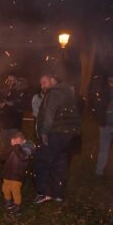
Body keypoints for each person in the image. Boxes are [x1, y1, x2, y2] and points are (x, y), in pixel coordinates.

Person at [33, 73, 80, 204]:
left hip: (55, 133)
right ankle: (58, 194)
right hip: (67, 135)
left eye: (44, 82)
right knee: (60, 163)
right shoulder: (68, 92)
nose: (42, 86)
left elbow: (49, 114)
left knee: (41, 162)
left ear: (53, 80)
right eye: (41, 83)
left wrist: (44, 132)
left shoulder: (54, 93)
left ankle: (43, 193)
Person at [1, 131, 34, 215]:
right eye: (14, 140)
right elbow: (3, 157)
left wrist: (16, 146)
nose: (15, 142)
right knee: (5, 189)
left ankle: (17, 206)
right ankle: (8, 203)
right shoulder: (13, 146)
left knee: (15, 191)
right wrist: (11, 147)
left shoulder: (27, 147)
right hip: (7, 174)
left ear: (23, 140)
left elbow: (23, 157)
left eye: (17, 140)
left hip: (17, 175)